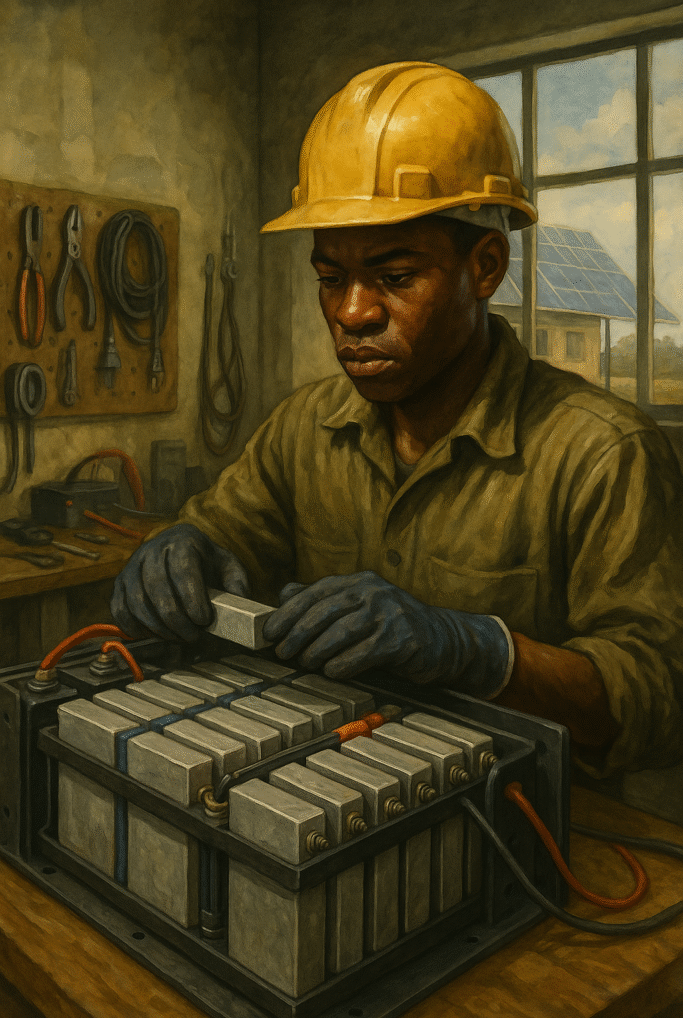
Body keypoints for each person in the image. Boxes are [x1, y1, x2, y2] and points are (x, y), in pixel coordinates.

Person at [112, 62, 683, 779]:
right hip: (324, 781)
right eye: (330, 279)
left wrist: (476, 650)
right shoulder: (302, 428)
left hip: (530, 826)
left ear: (485, 267)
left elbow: (658, 703)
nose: (352, 313)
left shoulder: (602, 454)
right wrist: (185, 544)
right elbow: (229, 530)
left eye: (395, 277)